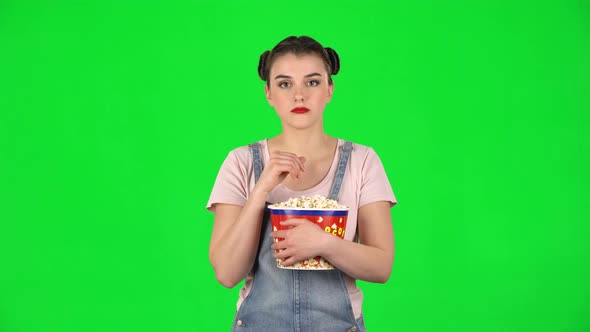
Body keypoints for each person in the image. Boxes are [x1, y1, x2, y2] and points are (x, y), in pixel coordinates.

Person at [206, 36, 397, 331]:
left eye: (312, 82)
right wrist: (260, 192)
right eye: (284, 84)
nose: (299, 95)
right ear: (268, 93)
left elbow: (382, 266)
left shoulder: (362, 161)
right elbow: (227, 274)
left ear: (329, 89)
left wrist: (324, 243)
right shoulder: (241, 162)